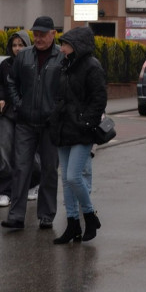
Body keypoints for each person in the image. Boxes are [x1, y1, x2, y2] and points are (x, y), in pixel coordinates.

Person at [4, 15, 63, 230]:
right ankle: (16, 216)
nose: (37, 38)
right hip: (25, 122)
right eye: (35, 34)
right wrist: (20, 105)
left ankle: (46, 215)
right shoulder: (24, 56)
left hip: (50, 125)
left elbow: (65, 90)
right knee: (20, 168)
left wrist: (55, 111)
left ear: (53, 34)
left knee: (49, 170)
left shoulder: (61, 57)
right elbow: (12, 82)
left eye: (42, 34)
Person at [49, 27, 107, 244]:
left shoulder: (92, 66)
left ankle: (90, 216)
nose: (61, 48)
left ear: (76, 45)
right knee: (66, 179)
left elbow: (99, 99)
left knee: (74, 176)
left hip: (82, 131)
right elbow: (58, 95)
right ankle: (72, 223)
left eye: (65, 44)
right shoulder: (65, 65)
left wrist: (86, 122)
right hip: (63, 129)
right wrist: (53, 116)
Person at [0, 31, 31, 208]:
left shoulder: (33, 63)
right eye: (14, 45)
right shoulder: (5, 64)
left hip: (27, 114)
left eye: (20, 44)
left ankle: (32, 185)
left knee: (28, 153)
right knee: (5, 152)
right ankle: (6, 192)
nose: (17, 48)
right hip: (8, 113)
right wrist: (0, 98)